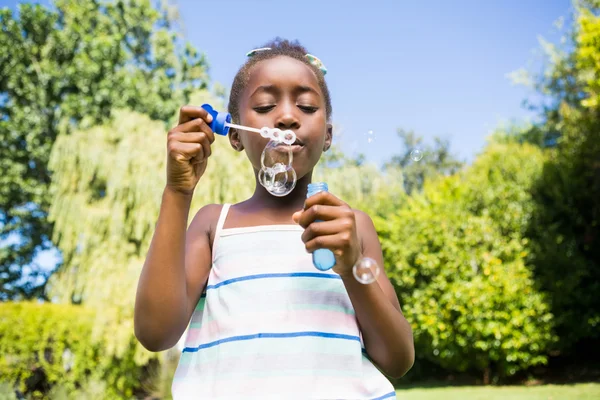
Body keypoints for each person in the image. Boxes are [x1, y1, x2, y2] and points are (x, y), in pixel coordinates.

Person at [134, 38, 414, 399]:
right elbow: (155, 333)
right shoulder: (212, 225)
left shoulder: (351, 227)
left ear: (327, 135)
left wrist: (350, 266)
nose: (286, 116)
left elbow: (398, 359)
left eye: (307, 106)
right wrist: (178, 192)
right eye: (265, 105)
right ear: (234, 134)